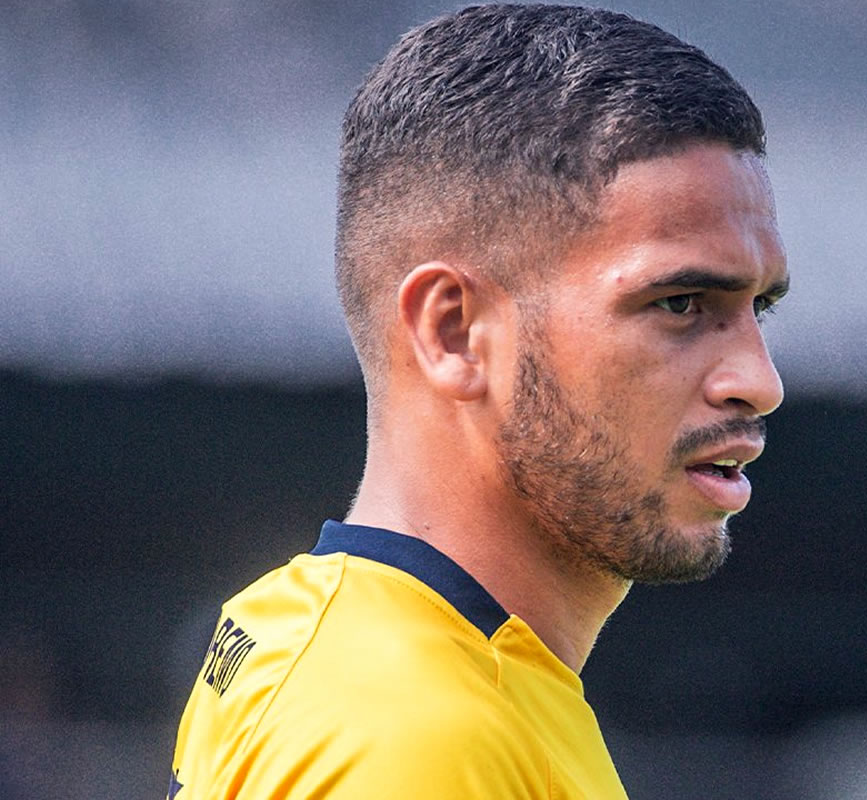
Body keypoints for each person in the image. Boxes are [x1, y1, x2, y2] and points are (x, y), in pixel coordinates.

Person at [167, 3, 788, 797]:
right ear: (454, 332)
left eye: (759, 309)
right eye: (680, 304)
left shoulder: (304, 619)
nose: (758, 380)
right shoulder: (414, 740)